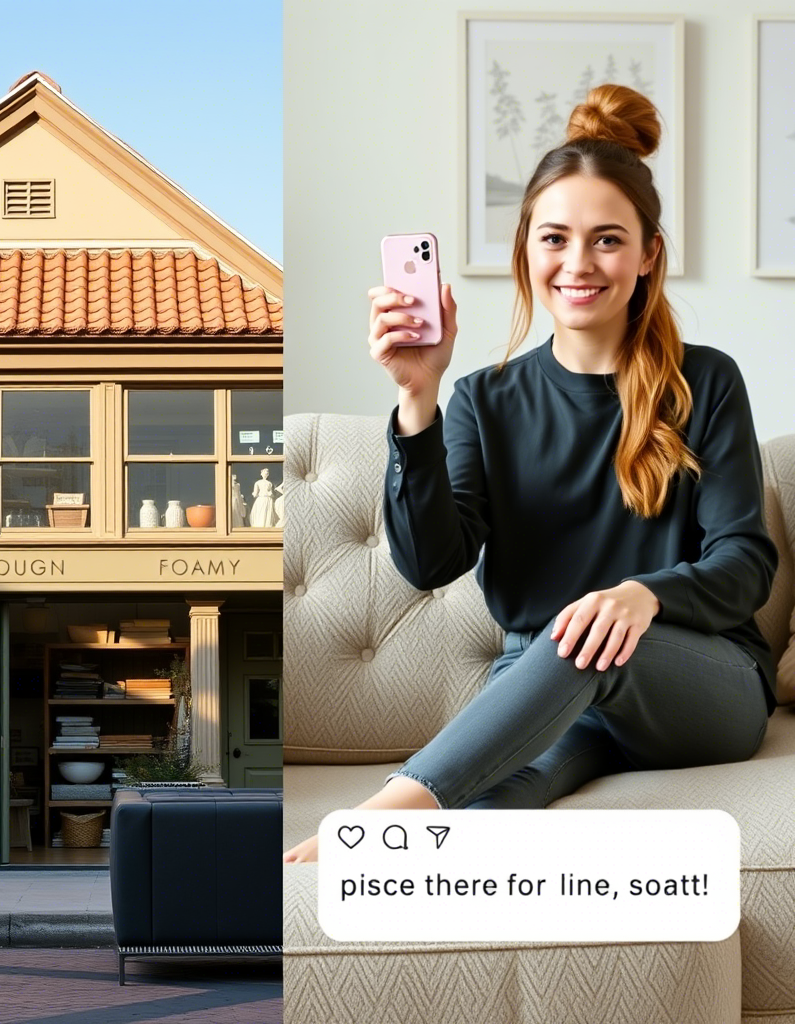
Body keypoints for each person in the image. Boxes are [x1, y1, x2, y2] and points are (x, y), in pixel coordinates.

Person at [283, 84, 778, 864]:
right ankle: (374, 863)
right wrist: (417, 398)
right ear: (526, 250)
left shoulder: (705, 383)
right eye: (555, 238)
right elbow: (429, 565)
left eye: (608, 240)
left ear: (649, 253)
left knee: (581, 633)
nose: (579, 264)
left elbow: (745, 565)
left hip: (697, 678)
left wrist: (643, 594)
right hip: (549, 682)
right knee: (486, 803)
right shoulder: (484, 397)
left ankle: (379, 813)